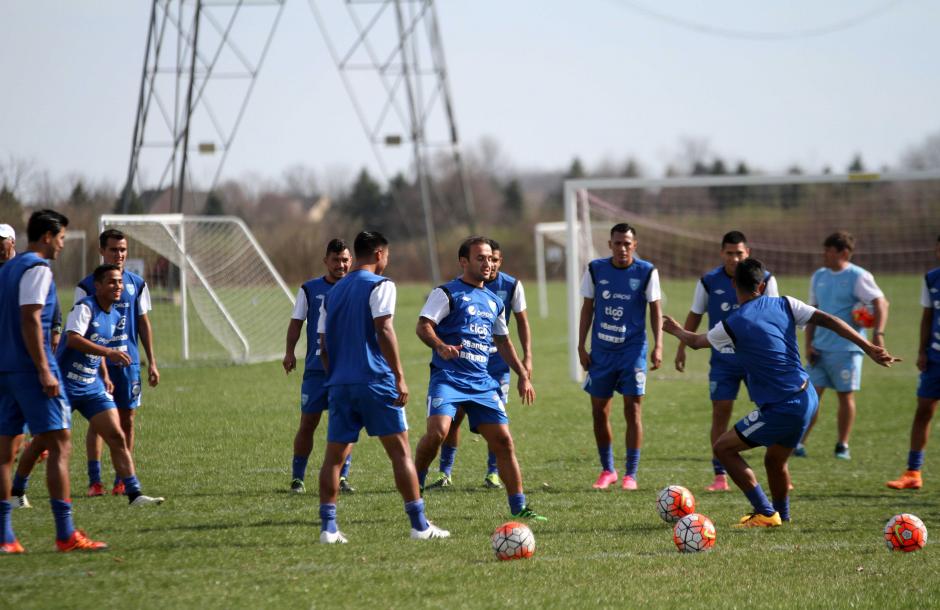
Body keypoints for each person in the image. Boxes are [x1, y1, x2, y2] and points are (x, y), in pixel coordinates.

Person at [663, 258, 899, 527]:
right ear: (762, 285)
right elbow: (830, 320)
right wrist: (868, 347)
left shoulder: (732, 323)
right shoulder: (786, 303)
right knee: (774, 460)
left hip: (783, 405)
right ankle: (782, 517)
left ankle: (764, 511)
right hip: (807, 396)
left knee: (723, 449)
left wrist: (676, 330)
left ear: (733, 284)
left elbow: (695, 342)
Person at [316, 231, 448, 543]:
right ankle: (419, 526)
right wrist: (399, 376)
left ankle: (328, 529)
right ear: (378, 254)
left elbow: (322, 345)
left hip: (339, 383)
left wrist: (335, 376)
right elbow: (384, 327)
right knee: (400, 453)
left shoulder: (331, 293)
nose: (386, 260)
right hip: (375, 381)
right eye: (386, 255)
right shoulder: (381, 284)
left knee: (333, 458)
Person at [413, 236, 545, 521]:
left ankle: (519, 507)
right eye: (480, 258)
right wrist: (440, 346)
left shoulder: (495, 301)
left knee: (504, 442)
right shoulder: (446, 293)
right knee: (438, 433)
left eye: (490, 258)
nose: (487, 264)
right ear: (464, 262)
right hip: (448, 378)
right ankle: (416, 485)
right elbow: (423, 326)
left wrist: (523, 374)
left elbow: (504, 342)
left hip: (482, 382)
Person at [12, 264, 165, 508]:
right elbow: (73, 339)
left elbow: (98, 348)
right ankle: (16, 491)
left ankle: (134, 494)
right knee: (43, 442)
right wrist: (108, 352)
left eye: (119, 282)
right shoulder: (85, 308)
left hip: (91, 386)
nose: (118, 287)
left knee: (116, 435)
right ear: (98, 286)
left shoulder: (115, 314)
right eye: (112, 282)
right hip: (64, 386)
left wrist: (103, 373)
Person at [0, 209, 107, 553]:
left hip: (5, 369)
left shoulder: (6, 270)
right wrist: (44, 368)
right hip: (31, 369)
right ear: (47, 236)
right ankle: (66, 535)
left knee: (5, 452)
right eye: (61, 238)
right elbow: (32, 319)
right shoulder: (36, 267)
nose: (62, 245)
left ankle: (6, 538)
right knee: (60, 443)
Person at [674, 231, 779, 492]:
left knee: (772, 412)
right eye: (730, 253)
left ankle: (778, 471)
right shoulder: (709, 281)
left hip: (756, 362)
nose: (734, 258)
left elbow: (776, 316)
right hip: (723, 361)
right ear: (722, 253)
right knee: (720, 413)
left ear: (748, 253)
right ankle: (719, 475)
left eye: (739, 253)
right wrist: (681, 348)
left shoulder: (765, 280)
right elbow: (695, 314)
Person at [75, 229, 160, 496]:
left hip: (128, 363)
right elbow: (78, 331)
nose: (119, 254)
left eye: (123, 250)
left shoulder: (136, 283)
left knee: (128, 419)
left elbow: (144, 324)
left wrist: (152, 362)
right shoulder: (87, 286)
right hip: (96, 363)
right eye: (113, 249)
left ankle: (122, 480)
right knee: (98, 422)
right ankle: (95, 480)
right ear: (102, 251)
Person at [578, 223, 662, 490]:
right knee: (599, 411)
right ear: (610, 244)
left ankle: (631, 474)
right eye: (618, 243)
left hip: (632, 351)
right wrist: (581, 345)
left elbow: (655, 310)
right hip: (602, 352)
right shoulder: (595, 269)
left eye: (627, 243)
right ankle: (608, 470)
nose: (622, 248)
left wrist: (658, 345)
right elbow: (587, 309)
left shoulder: (647, 271)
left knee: (632, 410)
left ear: (634, 245)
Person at [798, 231, 889, 459]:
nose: (824, 255)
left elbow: (881, 303)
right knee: (810, 397)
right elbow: (812, 312)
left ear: (844, 253)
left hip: (847, 350)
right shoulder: (818, 276)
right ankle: (798, 443)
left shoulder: (859, 276)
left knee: (845, 397)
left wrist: (877, 333)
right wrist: (808, 344)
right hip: (819, 348)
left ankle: (842, 445)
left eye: (829, 251)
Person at [283, 239, 354, 494]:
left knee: (346, 424)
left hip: (347, 370)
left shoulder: (358, 288)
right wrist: (290, 352)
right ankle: (297, 478)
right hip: (316, 369)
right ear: (326, 261)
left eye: (345, 260)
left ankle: (343, 477)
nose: (341, 265)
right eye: (336, 260)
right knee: (308, 423)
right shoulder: (310, 289)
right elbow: (296, 323)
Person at [887, 236, 940, 489]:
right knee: (923, 410)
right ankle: (913, 472)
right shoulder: (931, 278)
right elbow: (927, 316)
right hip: (935, 356)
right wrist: (922, 351)